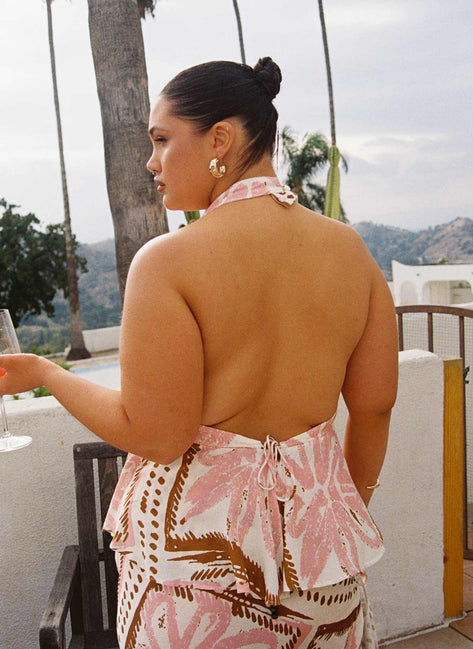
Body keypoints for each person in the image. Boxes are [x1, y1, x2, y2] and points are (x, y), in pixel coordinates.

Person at [0, 57, 398, 648]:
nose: (151, 161)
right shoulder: (351, 253)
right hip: (323, 571)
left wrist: (45, 373)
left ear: (220, 139)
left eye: (162, 139)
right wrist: (338, 514)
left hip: (194, 578)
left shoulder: (169, 263)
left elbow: (158, 435)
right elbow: (374, 408)